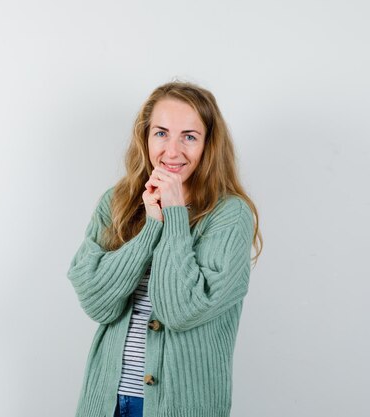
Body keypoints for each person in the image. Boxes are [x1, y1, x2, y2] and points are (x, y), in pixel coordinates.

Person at [67, 81, 263, 417]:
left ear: (208, 145)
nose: (172, 151)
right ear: (145, 138)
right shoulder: (117, 202)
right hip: (106, 400)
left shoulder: (230, 215)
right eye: (161, 133)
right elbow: (97, 302)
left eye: (189, 136)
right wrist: (150, 228)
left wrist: (174, 215)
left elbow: (181, 310)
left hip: (180, 405)